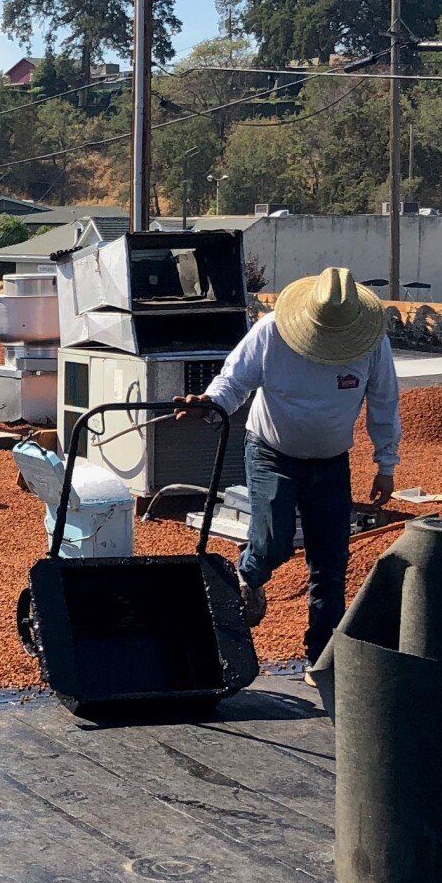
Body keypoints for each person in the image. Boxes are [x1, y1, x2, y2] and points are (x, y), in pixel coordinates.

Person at [172, 264, 399, 663]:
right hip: (272, 452)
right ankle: (249, 573)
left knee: (330, 562)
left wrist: (386, 464)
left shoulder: (371, 344)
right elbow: (234, 380)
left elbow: (384, 401)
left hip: (331, 462)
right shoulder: (272, 332)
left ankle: (321, 656)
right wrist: (211, 404)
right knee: (275, 541)